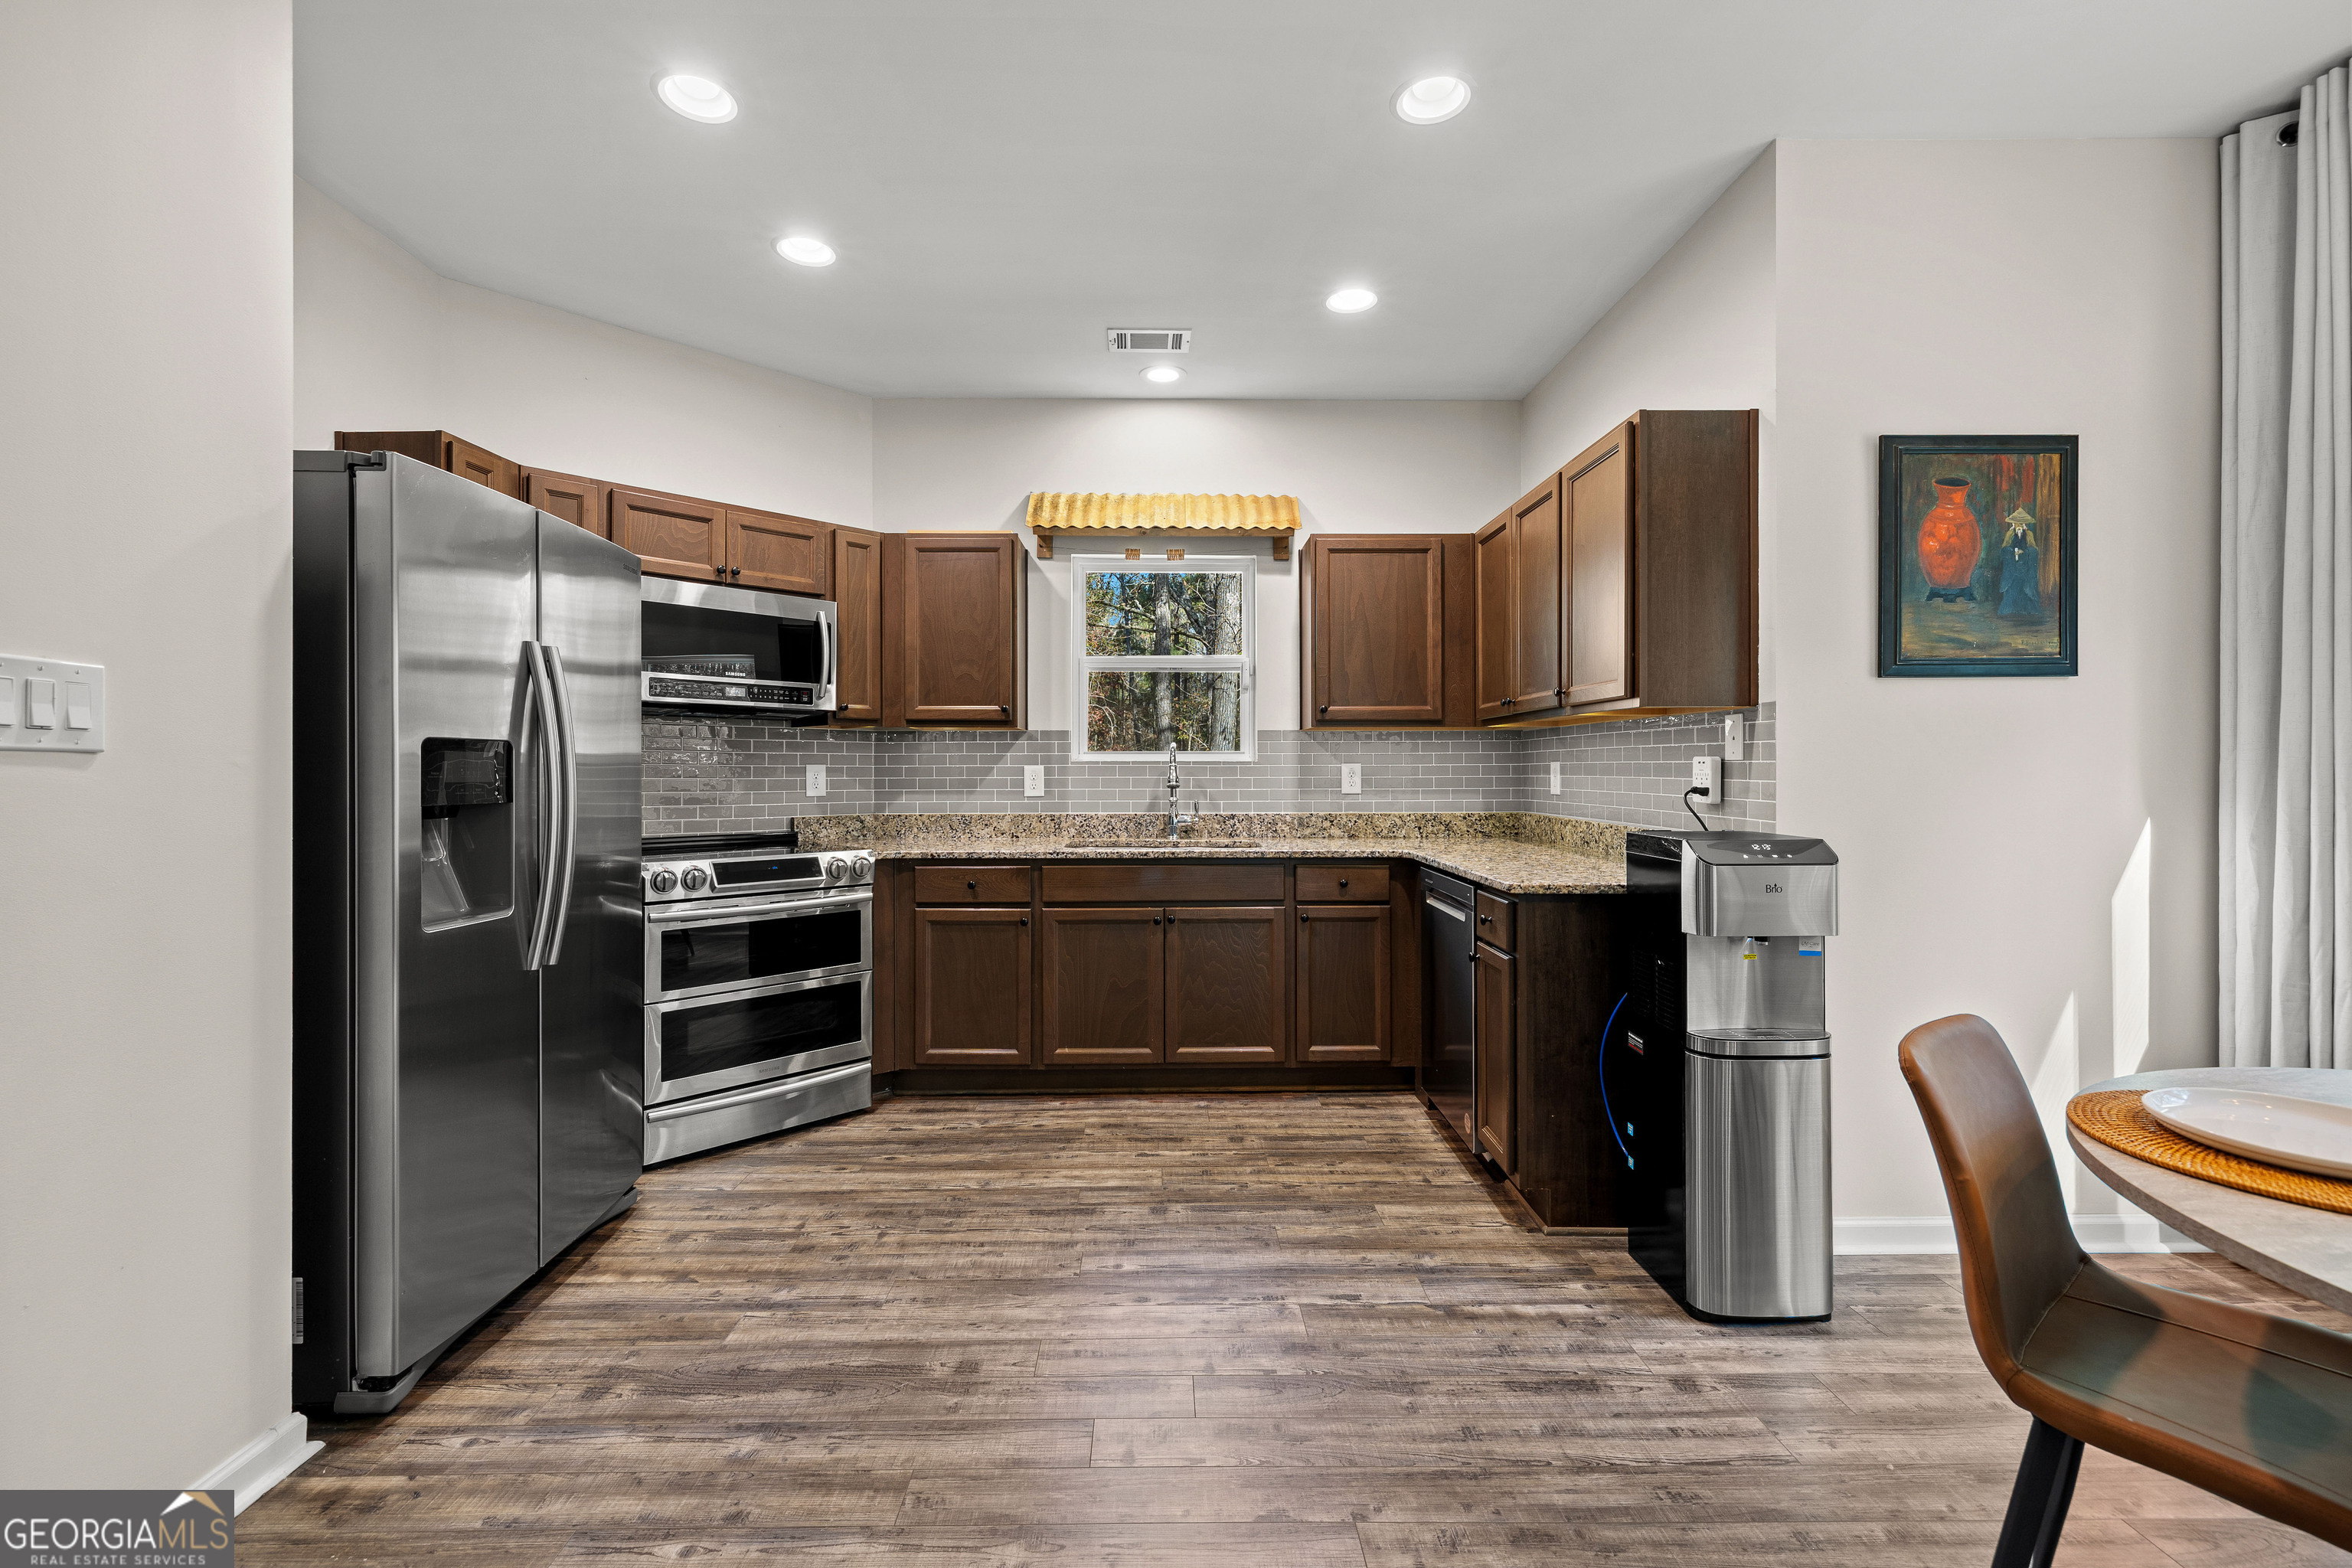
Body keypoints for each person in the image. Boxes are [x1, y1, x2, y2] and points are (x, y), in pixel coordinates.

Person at [1997, 508, 2041, 616]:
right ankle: (2009, 610)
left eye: (2021, 524)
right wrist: (2012, 553)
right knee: (2012, 586)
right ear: (2014, 524)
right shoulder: (2010, 534)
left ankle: (2029, 610)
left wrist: (2024, 552)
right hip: (2013, 566)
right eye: (2017, 524)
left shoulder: (2029, 534)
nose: (2019, 526)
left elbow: (2033, 549)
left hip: (2025, 566)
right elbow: (2005, 548)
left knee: (2026, 586)